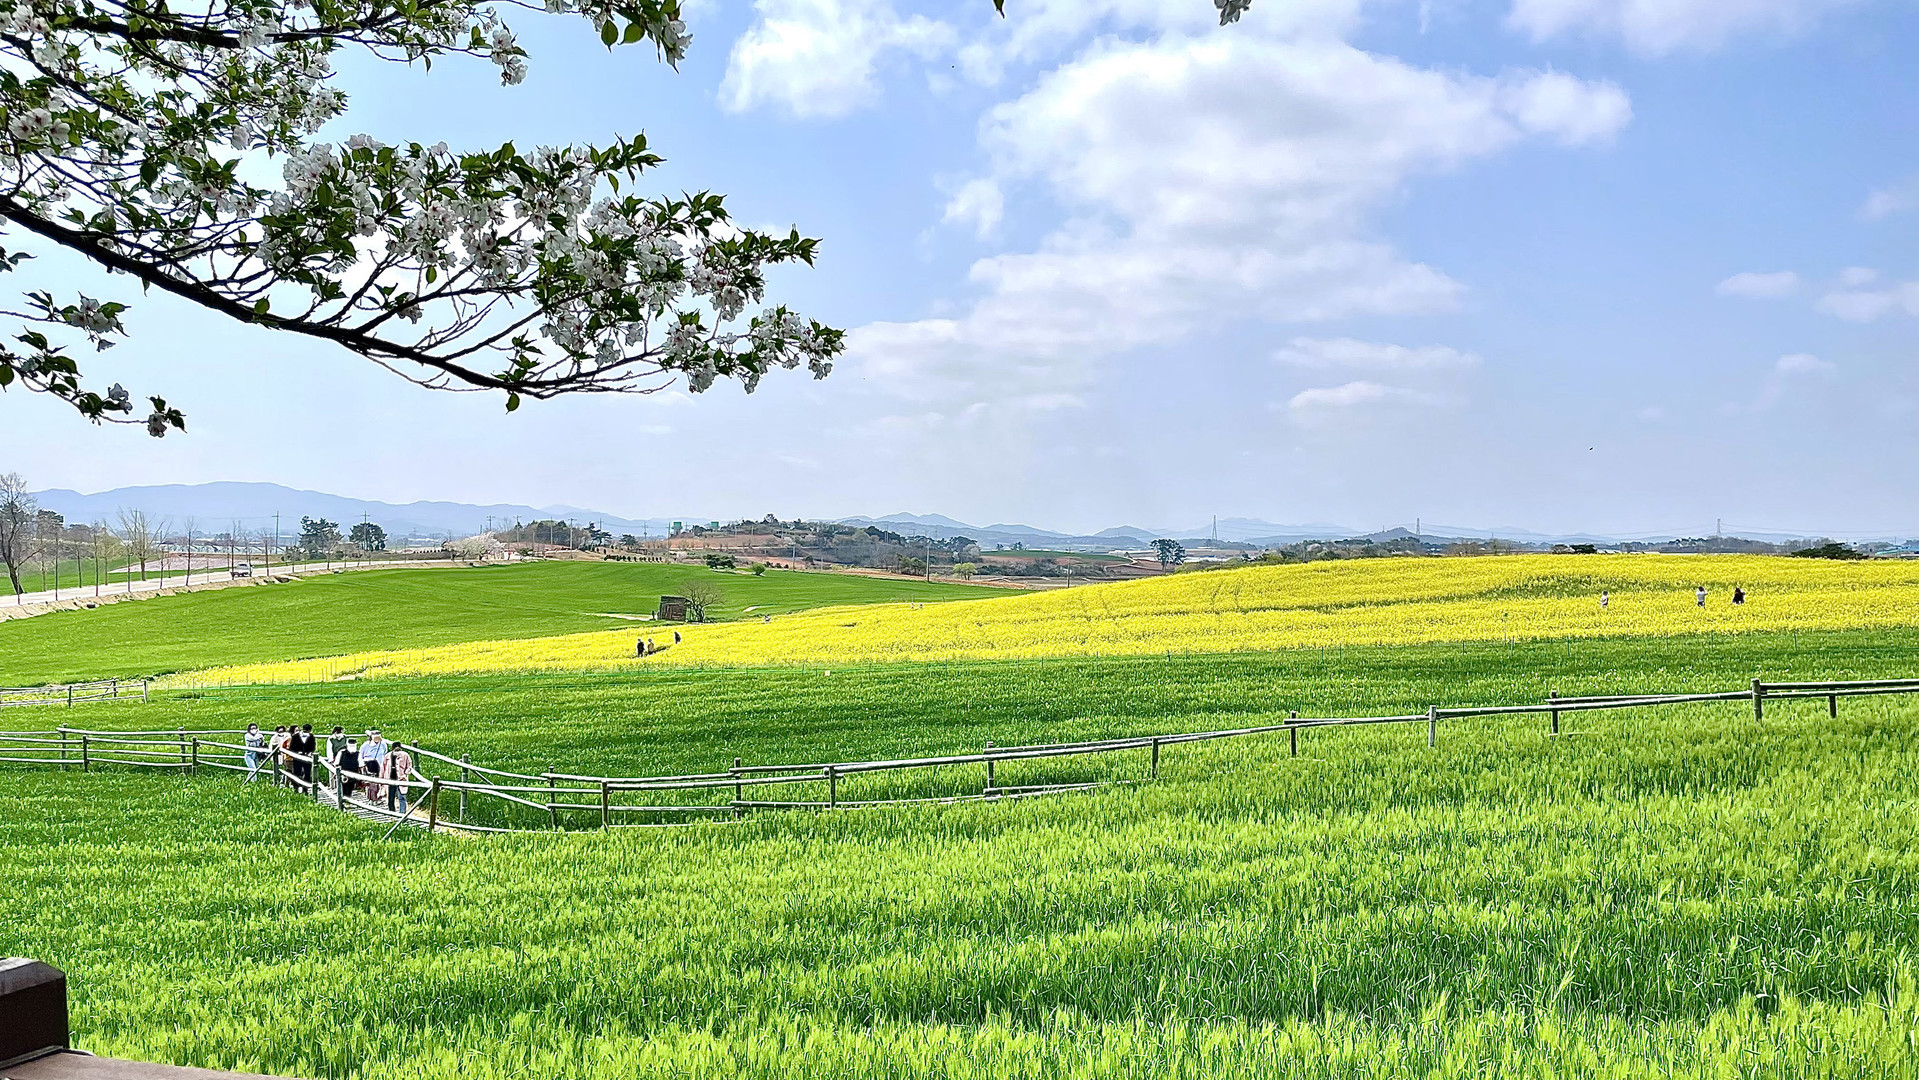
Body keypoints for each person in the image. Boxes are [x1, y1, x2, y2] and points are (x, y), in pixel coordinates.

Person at [360, 730, 388, 806]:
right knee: (371, 783)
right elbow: (361, 756)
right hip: (369, 766)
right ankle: (371, 798)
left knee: (378, 783)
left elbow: (385, 753)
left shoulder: (383, 744)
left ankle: (377, 798)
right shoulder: (365, 745)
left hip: (380, 766)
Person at [383, 744, 414, 814]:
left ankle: (402, 813)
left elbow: (409, 766)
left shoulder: (405, 755)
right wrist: (382, 779)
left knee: (402, 797)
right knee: (390, 797)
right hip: (390, 779)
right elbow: (383, 767)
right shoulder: (387, 756)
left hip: (401, 779)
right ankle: (391, 812)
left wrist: (405, 773)